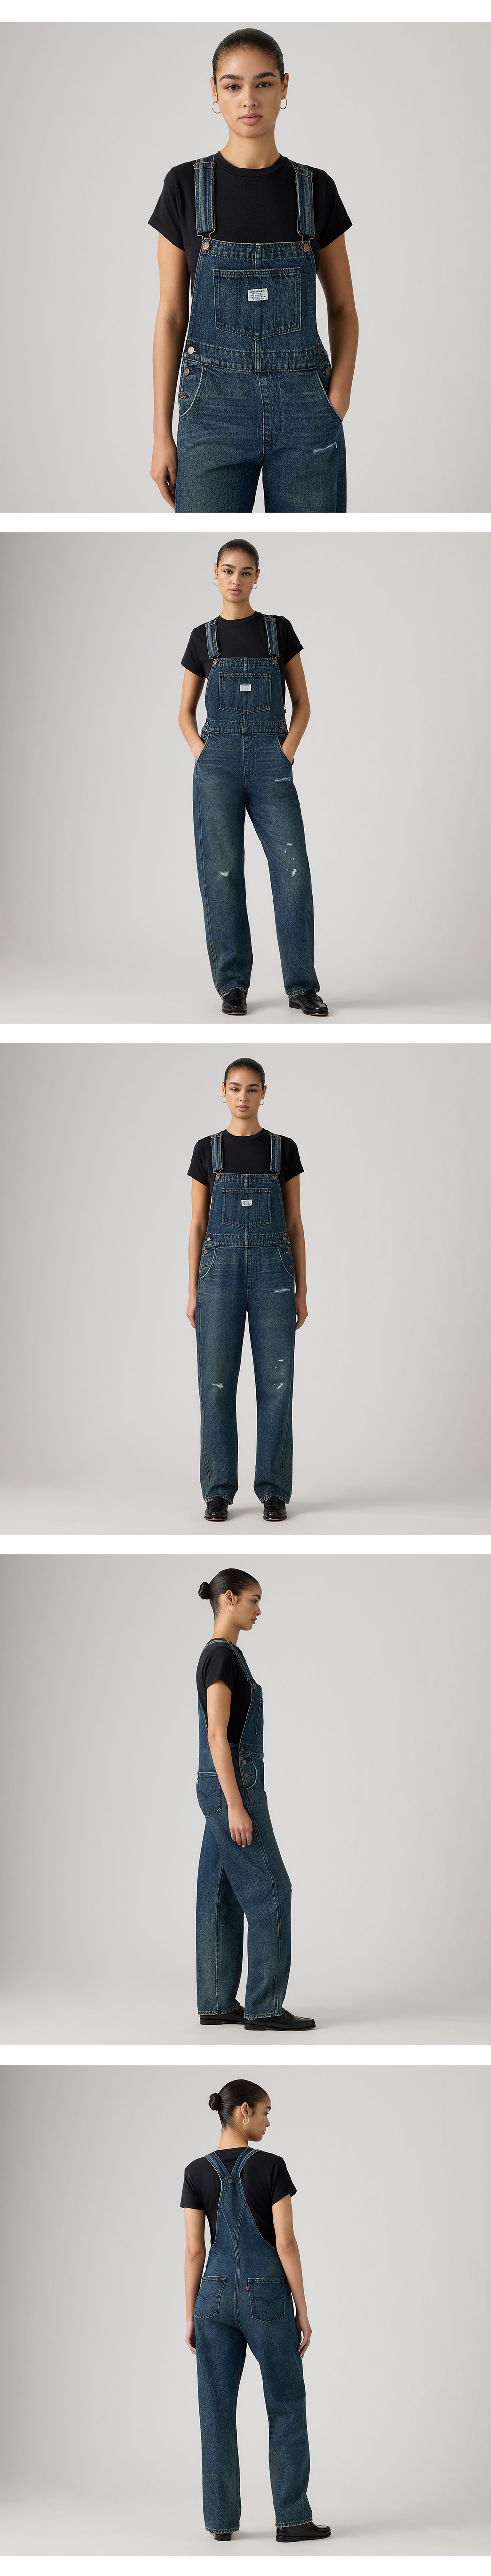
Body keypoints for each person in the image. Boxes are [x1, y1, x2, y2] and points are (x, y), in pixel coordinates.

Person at [149, 26, 358, 513]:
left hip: (307, 411)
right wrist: (161, 434)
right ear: (214, 91)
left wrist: (337, 402)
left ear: (284, 87)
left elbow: (344, 308)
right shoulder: (184, 187)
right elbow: (171, 315)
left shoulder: (316, 190)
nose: (249, 99)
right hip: (211, 412)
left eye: (263, 83)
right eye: (233, 85)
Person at [179, 537, 329, 1019]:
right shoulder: (202, 638)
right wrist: (203, 753)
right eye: (228, 570)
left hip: (270, 761)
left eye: (246, 572)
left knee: (293, 870)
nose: (236, 580)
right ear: (215, 574)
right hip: (217, 764)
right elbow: (184, 712)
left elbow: (302, 703)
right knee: (221, 873)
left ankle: (302, 986)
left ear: (257, 577)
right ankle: (233, 986)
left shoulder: (277, 631)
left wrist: (285, 753)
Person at [183, 2079, 330, 2541]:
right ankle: (292, 2519)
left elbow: (194, 2251)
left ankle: (220, 2523)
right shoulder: (271, 2166)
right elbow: (285, 2244)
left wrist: (190, 2314)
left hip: (212, 2298)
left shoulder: (195, 2172)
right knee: (285, 2403)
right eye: (265, 2112)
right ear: (244, 2111)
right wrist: (301, 2309)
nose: (269, 2122)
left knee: (215, 2410)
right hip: (266, 2297)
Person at [187, 1056, 306, 1521]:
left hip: (275, 1272)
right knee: (216, 1385)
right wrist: (193, 1291)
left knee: (277, 1384)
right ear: (223, 1092)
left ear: (264, 1093)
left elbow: (294, 1224)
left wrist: (301, 1290)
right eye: (235, 1088)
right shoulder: (207, 1151)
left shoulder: (283, 1150)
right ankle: (218, 1490)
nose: (243, 1097)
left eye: (252, 1089)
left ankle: (274, 1491)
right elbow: (198, 1225)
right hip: (218, 1274)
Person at [196, 1567, 315, 2031]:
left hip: (220, 1782)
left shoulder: (222, 1656)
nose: (259, 1610)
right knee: (271, 1891)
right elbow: (216, 1734)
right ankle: (264, 2007)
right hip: (235, 1785)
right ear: (229, 1599)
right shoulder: (222, 1658)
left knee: (221, 1894)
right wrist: (236, 1805)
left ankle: (217, 2002)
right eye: (254, 1600)